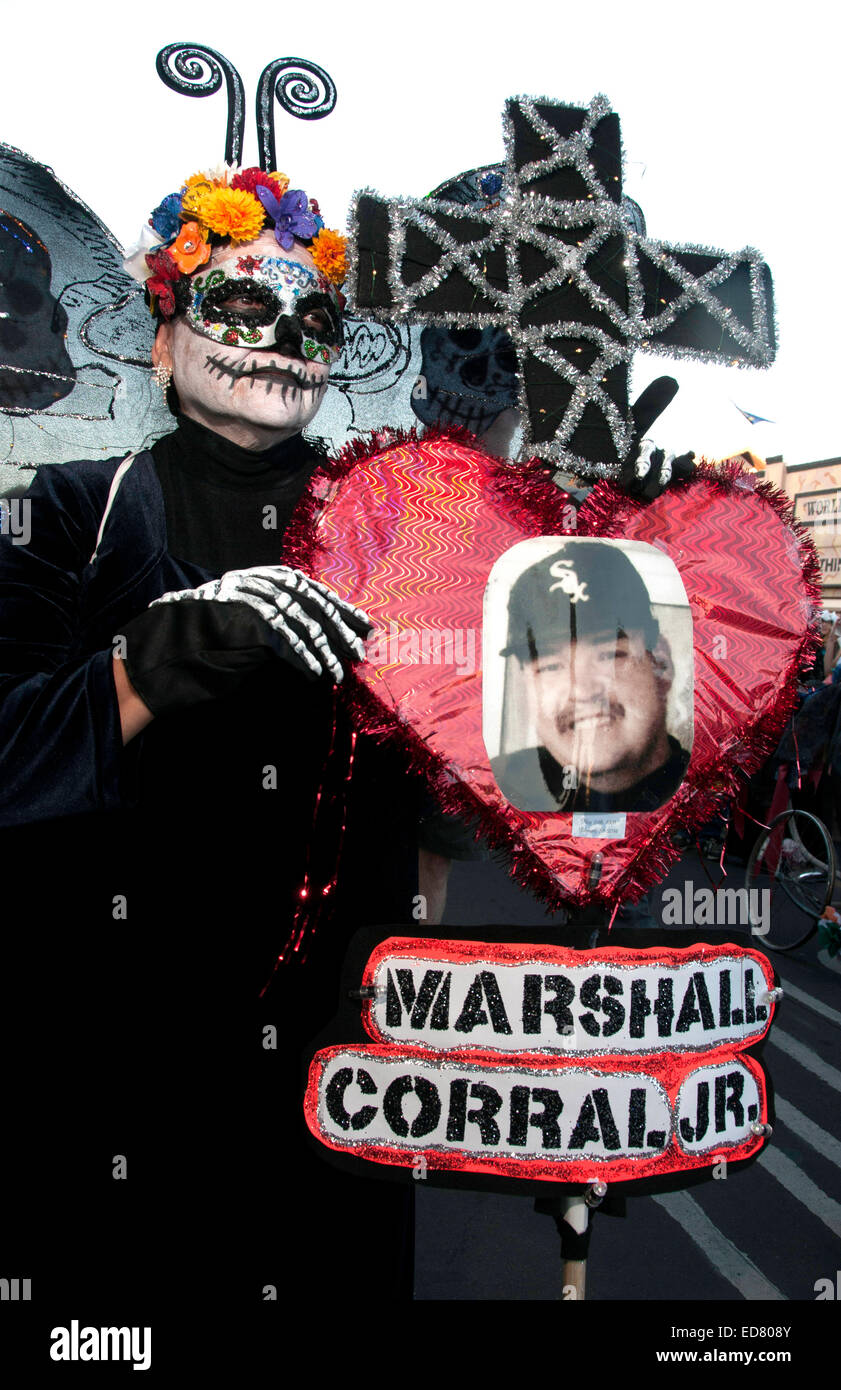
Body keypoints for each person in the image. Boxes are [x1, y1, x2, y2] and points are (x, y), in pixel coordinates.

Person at [0, 164, 425, 1324]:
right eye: (241, 305)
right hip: (122, 1057)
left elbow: (474, 776)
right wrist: (158, 661)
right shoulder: (67, 511)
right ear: (161, 340)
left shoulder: (398, 534)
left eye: (313, 315)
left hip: (344, 1050)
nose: (281, 336)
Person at [491, 541, 691, 814]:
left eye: (608, 655)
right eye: (551, 666)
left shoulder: (708, 799)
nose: (583, 690)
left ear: (661, 664)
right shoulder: (487, 796)